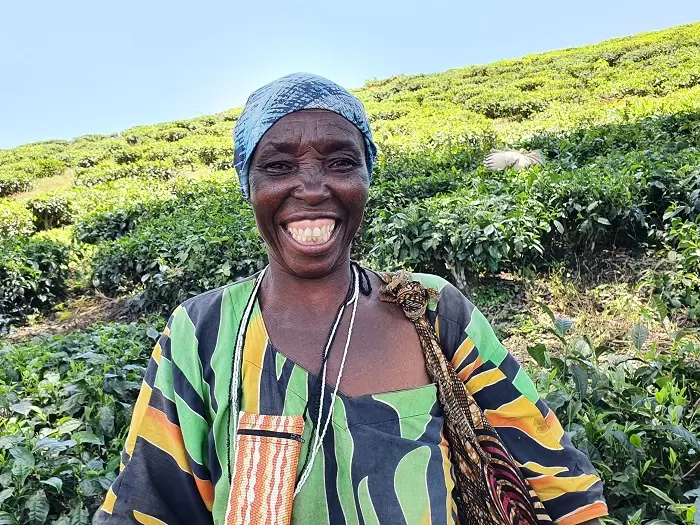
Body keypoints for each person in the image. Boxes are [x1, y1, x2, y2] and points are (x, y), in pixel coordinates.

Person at [94, 73, 607, 525]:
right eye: (277, 166)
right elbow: (149, 505)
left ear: (367, 176)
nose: (312, 188)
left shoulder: (430, 310)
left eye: (341, 161)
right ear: (246, 184)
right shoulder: (203, 332)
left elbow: (556, 480)